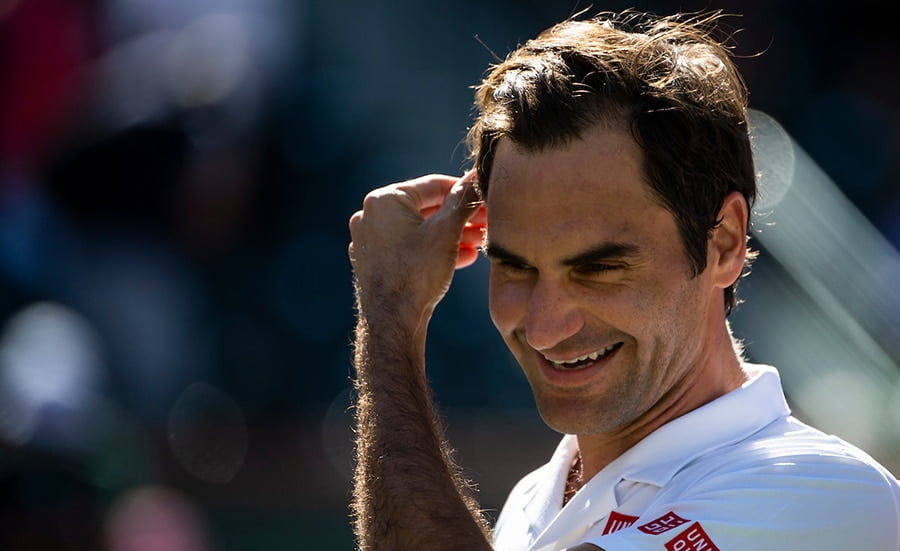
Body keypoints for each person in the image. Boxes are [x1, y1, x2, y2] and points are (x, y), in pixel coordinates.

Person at [347, 10, 900, 551]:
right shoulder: (531, 501)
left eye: (599, 269)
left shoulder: (820, 493)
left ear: (725, 243)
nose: (544, 327)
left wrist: (391, 317)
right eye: (515, 266)